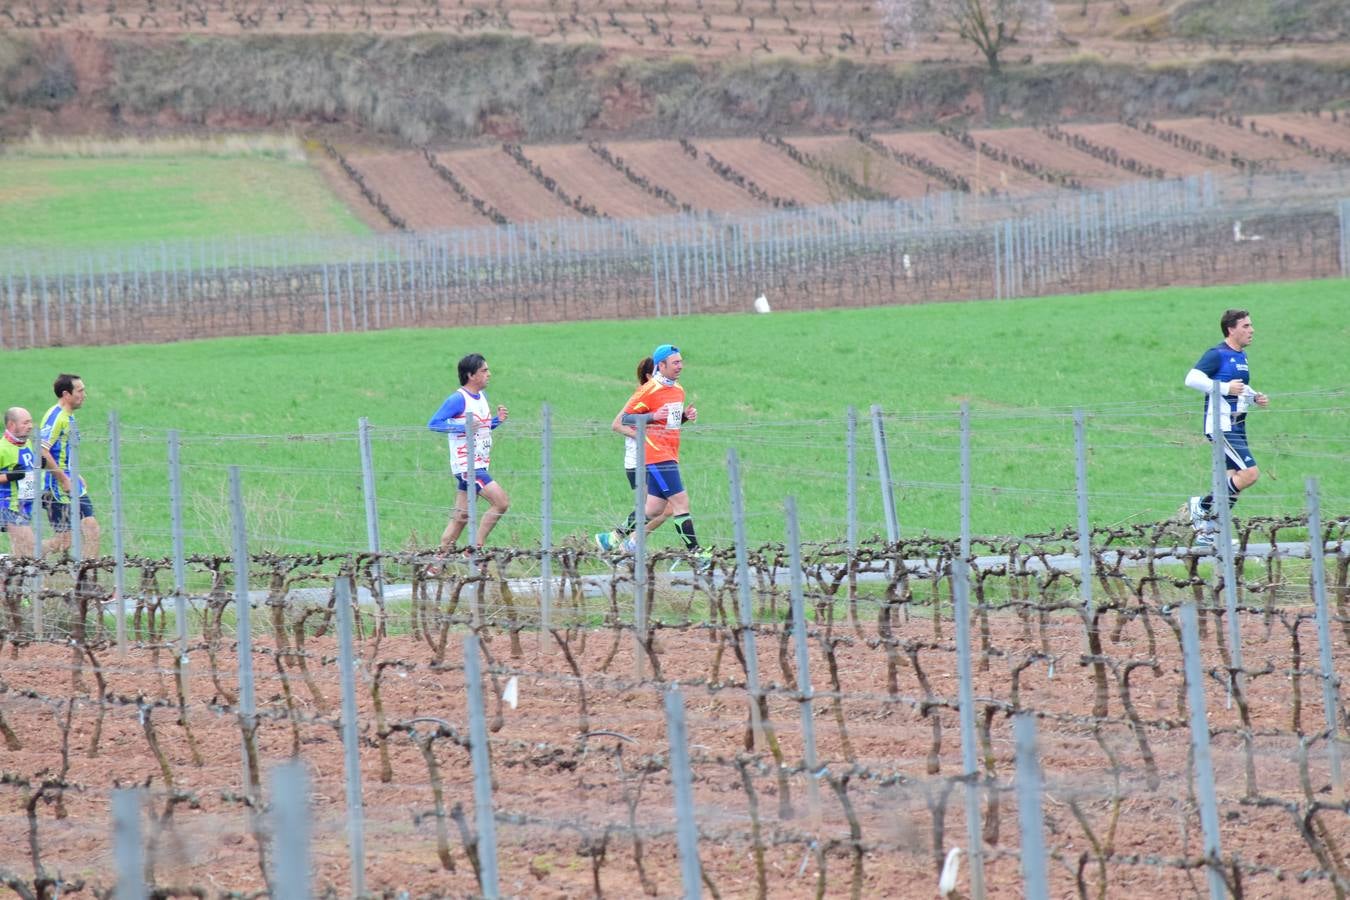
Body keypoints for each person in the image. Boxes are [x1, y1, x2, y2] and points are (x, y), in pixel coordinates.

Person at [598, 344, 709, 567]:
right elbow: (625, 419)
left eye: (681, 361)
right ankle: (695, 554)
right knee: (680, 502)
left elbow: (671, 423)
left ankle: (611, 538)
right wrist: (652, 415)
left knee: (654, 509)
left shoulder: (679, 390)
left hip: (670, 451)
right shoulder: (648, 390)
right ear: (662, 365)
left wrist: (685, 416)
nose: (680, 366)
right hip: (656, 454)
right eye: (675, 362)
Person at [1183, 309, 1269, 547]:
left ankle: (1208, 532)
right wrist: (1224, 388)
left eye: (1251, 326)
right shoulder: (1217, 354)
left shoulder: (1241, 356)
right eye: (1246, 326)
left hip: (1238, 425)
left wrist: (1253, 397)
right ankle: (1202, 506)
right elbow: (1191, 379)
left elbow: (1237, 387)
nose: (1251, 330)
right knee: (1250, 474)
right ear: (1231, 329)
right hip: (1222, 426)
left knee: (1232, 479)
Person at [427, 353, 510, 553]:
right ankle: (473, 550)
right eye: (484, 370)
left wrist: (497, 421)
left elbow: (479, 427)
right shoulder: (457, 399)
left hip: (480, 462)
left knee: (461, 517)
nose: (489, 374)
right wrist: (461, 426)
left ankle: (437, 562)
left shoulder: (482, 397)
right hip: (467, 465)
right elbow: (434, 424)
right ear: (471, 375)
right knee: (501, 502)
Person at [594, 356, 672, 550]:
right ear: (649, 375)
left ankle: (625, 542)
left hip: (654, 460)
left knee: (663, 508)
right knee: (661, 507)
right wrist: (642, 436)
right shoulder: (641, 396)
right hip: (638, 463)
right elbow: (616, 424)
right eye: (658, 370)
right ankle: (621, 541)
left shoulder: (659, 396)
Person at [40, 374, 100, 558]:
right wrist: (64, 479)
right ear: (67, 394)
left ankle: (87, 581)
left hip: (71, 482)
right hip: (55, 486)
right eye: (80, 391)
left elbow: (63, 452)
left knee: (92, 529)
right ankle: (20, 558)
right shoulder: (56, 417)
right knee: (64, 542)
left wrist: (75, 474)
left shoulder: (68, 416)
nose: (84, 395)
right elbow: (42, 451)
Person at [1, 407, 39, 558]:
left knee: (20, 556)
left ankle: (6, 576)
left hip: (24, 507)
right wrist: (9, 477)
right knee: (32, 550)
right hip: (7, 506)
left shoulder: (27, 443)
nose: (30, 426)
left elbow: (27, 471)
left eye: (30, 422)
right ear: (11, 425)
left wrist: (38, 464)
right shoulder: (2, 448)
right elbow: (15, 475)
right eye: (25, 423)